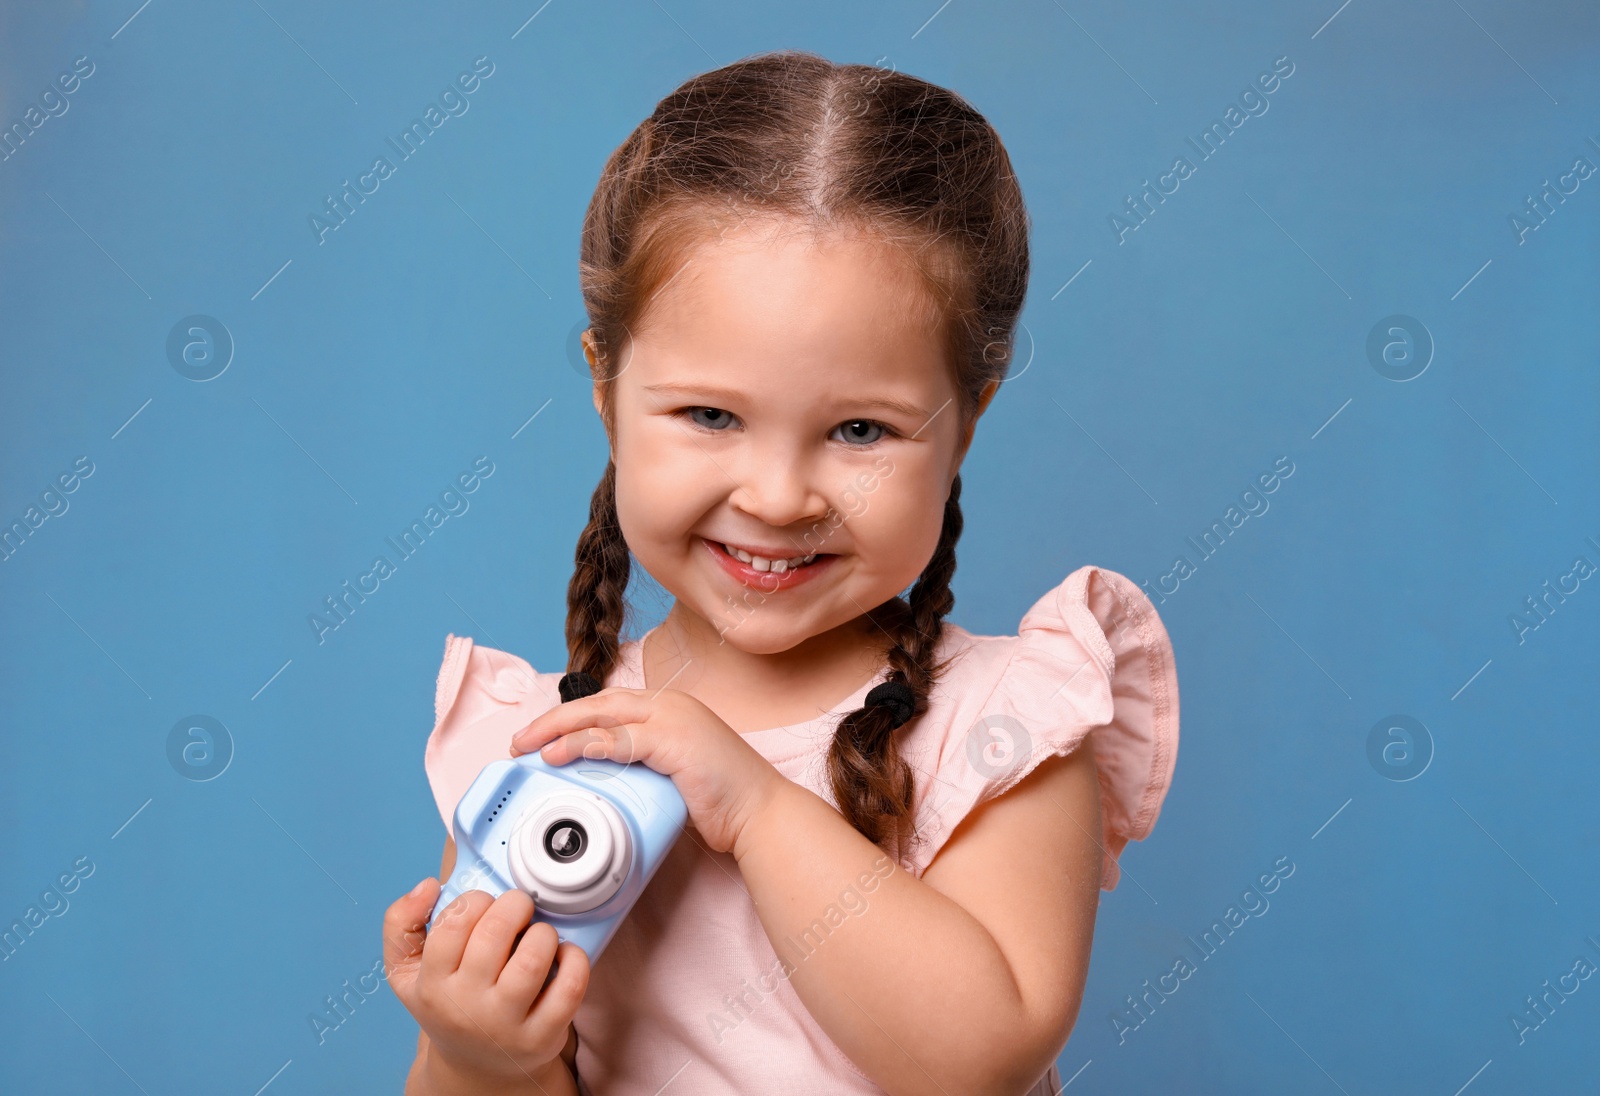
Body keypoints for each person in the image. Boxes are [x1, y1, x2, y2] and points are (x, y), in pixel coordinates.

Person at [383, 48, 1179, 1096]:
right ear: (605, 388)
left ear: (966, 421)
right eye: (710, 415)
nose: (777, 496)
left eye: (860, 429)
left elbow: (977, 1055)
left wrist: (756, 805)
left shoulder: (999, 728)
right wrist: (481, 1052)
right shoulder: (547, 755)